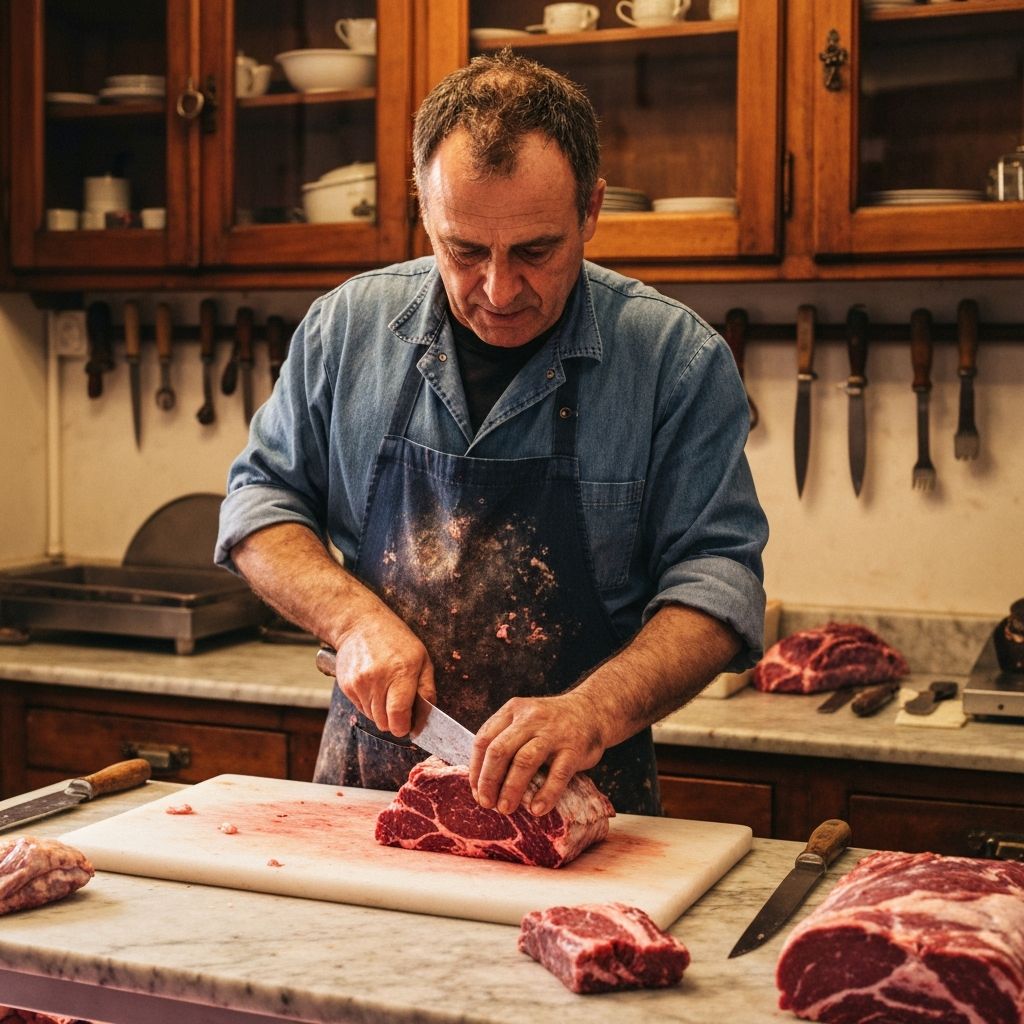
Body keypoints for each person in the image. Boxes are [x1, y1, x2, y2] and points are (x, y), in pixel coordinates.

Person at [215, 49, 768, 818]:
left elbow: (718, 584)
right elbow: (258, 507)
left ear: (593, 211)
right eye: (465, 251)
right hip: (369, 809)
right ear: (424, 213)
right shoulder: (347, 329)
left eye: (536, 251)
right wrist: (354, 621)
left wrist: (593, 710)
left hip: (578, 818)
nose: (499, 290)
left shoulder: (675, 361)